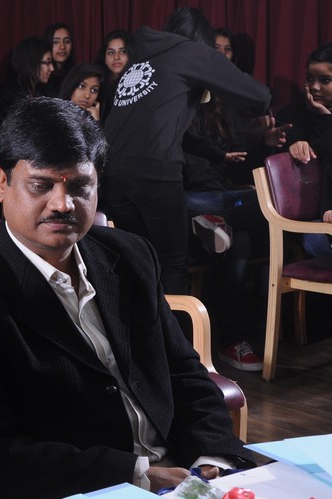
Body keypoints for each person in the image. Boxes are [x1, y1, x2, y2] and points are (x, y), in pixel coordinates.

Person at [0, 97, 253, 499]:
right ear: (2, 182)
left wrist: (212, 456)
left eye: (79, 187)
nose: (63, 204)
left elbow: (183, 373)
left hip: (184, 475)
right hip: (81, 497)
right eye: (41, 186)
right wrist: (135, 475)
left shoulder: (130, 255)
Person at [101, 7, 271, 295]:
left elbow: (159, 128)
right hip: (154, 172)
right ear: (201, 38)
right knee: (172, 263)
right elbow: (259, 97)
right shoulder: (191, 52)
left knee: (144, 260)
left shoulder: (140, 58)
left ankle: (145, 325)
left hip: (112, 175)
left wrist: (217, 155)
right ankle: (175, 328)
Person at [278, 43, 332, 258]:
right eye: (310, 79)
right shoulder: (296, 110)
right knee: (313, 240)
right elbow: (289, 131)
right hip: (309, 207)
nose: (315, 87)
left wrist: (326, 119)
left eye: (325, 80)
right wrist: (294, 141)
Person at [0, 36, 54, 133]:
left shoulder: (44, 93)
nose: (52, 68)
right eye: (47, 62)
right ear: (31, 63)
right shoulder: (6, 97)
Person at [95, 29, 132, 122]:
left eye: (122, 52)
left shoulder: (138, 86)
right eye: (111, 52)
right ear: (104, 58)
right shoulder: (96, 86)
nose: (116, 57)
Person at [41, 22, 75, 97]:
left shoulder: (76, 74)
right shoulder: (42, 76)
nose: (62, 47)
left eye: (67, 41)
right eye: (56, 42)